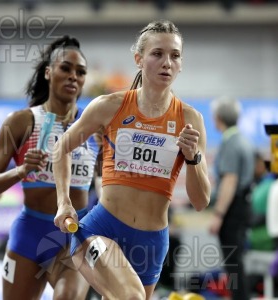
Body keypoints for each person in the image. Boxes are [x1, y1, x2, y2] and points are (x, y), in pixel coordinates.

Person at [53, 20, 211, 299]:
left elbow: (200, 202)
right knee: (131, 297)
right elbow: (60, 149)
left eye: (174, 55)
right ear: (139, 59)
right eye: (157, 54)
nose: (167, 63)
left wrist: (192, 157)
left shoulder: (190, 119)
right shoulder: (109, 106)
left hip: (151, 242)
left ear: (181, 63)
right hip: (101, 230)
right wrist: (63, 202)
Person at [0, 35, 99, 299]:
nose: (73, 77)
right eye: (65, 68)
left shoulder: (94, 126)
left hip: (72, 236)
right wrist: (20, 171)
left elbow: (109, 184)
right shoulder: (22, 122)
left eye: (80, 72)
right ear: (48, 72)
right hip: (29, 236)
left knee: (67, 296)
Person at [209, 96, 255, 300]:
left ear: (218, 118)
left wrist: (218, 215)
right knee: (236, 262)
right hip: (241, 206)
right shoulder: (242, 140)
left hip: (233, 210)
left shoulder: (231, 143)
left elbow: (229, 181)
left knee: (233, 263)